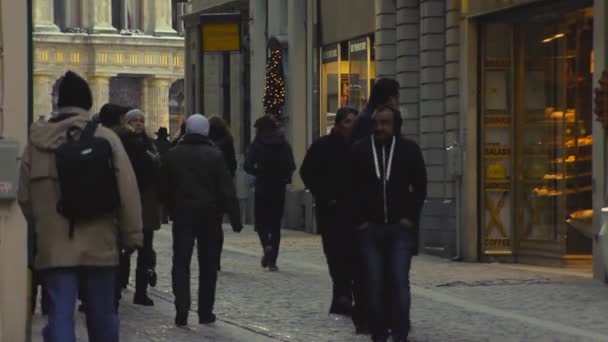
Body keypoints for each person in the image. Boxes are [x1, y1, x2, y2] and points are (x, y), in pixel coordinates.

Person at [18, 71, 143, 342]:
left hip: (55, 247)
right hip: (101, 242)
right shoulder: (106, 138)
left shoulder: (37, 143)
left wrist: (44, 226)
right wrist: (132, 235)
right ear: (88, 104)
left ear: (58, 103)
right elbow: (128, 191)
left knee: (60, 314)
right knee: (103, 314)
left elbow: (24, 197)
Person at [347, 105, 427, 342]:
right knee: (374, 283)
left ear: (395, 125)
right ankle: (379, 333)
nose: (380, 128)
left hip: (399, 229)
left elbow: (420, 187)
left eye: (385, 123)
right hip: (370, 228)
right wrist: (359, 221)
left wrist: (410, 218)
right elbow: (348, 188)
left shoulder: (408, 150)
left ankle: (400, 332)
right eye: (377, 123)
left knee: (400, 281)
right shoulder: (360, 150)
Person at [160, 114, 243, 327]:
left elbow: (164, 188)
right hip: (210, 217)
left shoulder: (173, 154)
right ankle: (205, 312)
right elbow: (227, 189)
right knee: (208, 265)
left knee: (181, 263)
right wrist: (235, 218)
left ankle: (181, 309)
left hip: (183, 216)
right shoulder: (215, 155)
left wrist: (171, 209)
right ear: (206, 131)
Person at [300, 107, 358, 316]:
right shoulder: (322, 146)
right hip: (330, 210)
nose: (352, 126)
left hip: (353, 211)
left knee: (351, 255)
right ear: (339, 124)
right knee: (335, 254)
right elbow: (306, 172)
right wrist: (324, 195)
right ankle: (341, 295)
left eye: (354, 122)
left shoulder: (358, 146)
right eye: (348, 122)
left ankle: (343, 297)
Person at [118, 109, 162, 306]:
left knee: (145, 247)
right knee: (123, 247)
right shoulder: (121, 144)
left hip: (146, 201)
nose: (138, 123)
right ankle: (120, 283)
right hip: (126, 200)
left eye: (141, 120)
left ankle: (141, 291)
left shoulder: (149, 144)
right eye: (134, 120)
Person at [244, 115, 296, 272]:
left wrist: (257, 171)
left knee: (261, 223)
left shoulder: (257, 143)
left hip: (262, 186)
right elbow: (291, 165)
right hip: (278, 187)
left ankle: (266, 244)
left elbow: (247, 165)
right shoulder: (283, 143)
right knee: (275, 224)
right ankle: (272, 259)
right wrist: (285, 178)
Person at [351, 78, 401, 143]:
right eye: (397, 98)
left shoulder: (365, 116)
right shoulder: (367, 119)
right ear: (390, 99)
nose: (398, 102)